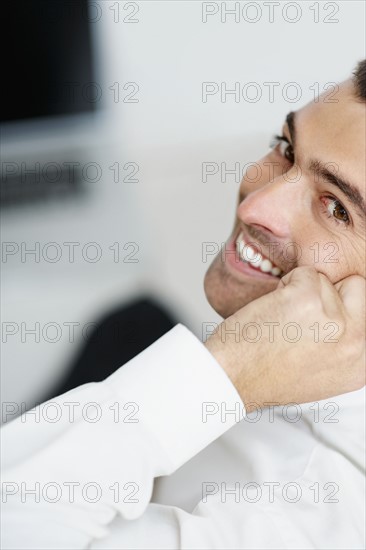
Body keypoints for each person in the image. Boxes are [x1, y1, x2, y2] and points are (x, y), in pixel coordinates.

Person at [1, 61, 365, 550]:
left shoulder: (299, 524)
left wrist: (229, 371)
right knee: (134, 325)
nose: (253, 206)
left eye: (337, 207)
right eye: (286, 148)